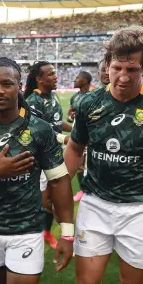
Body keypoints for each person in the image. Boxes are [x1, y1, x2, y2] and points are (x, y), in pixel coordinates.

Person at [64, 26, 143, 284]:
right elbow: (75, 149)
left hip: (140, 210)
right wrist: (57, 188)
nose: (123, 77)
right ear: (107, 66)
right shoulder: (89, 103)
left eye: (132, 69)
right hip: (95, 205)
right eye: (117, 68)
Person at [0, 57, 74, 284]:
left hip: (27, 230)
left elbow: (59, 181)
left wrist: (68, 233)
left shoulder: (39, 129)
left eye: (7, 84)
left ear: (19, 86)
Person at [24, 61, 72, 250]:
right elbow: (41, 132)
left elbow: (58, 124)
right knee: (46, 202)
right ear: (39, 79)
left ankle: (48, 232)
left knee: (55, 199)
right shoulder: (32, 102)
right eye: (51, 74)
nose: (55, 76)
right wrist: (65, 139)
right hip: (39, 160)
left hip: (55, 157)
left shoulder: (54, 97)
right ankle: (38, 234)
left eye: (55, 73)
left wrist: (77, 131)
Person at [67, 70, 93, 202]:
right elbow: (69, 115)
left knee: (90, 165)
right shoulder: (75, 97)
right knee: (78, 165)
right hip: (77, 136)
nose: (75, 80)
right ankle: (82, 190)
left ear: (85, 81)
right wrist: (71, 117)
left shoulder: (94, 96)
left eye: (78, 78)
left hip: (90, 136)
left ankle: (91, 190)